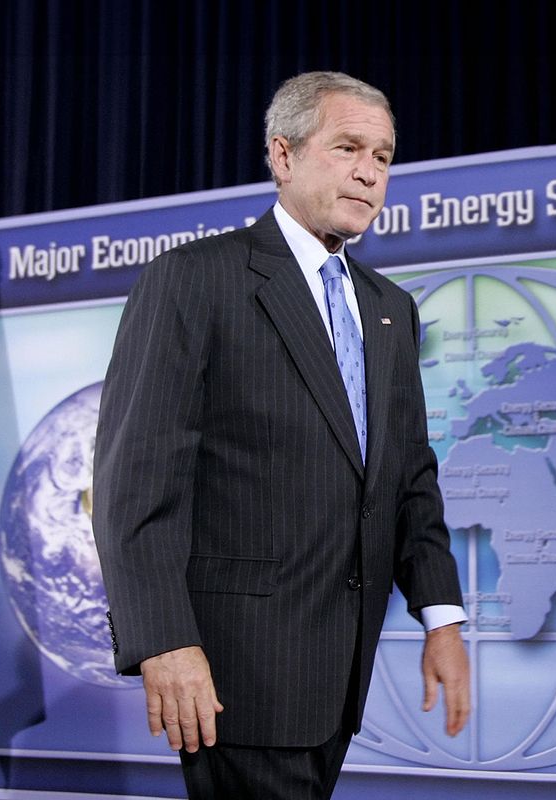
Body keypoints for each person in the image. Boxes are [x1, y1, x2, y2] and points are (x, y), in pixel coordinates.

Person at [92, 71, 469, 799]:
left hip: (338, 674)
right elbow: (134, 483)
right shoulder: (194, 280)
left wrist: (442, 618)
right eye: (348, 147)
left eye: (384, 157)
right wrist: (164, 640)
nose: (369, 171)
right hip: (236, 670)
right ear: (284, 156)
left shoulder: (391, 309)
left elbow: (408, 479)